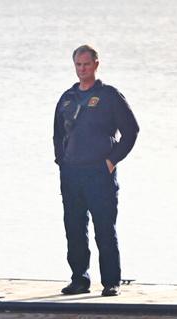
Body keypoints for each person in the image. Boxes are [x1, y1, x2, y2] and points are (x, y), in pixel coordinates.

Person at [53, 45, 139, 297]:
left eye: (87, 64)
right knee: (74, 228)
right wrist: (62, 161)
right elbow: (57, 134)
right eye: (78, 65)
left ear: (96, 65)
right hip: (71, 174)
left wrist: (111, 161)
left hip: (100, 173)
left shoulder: (110, 96)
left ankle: (111, 281)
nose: (82, 69)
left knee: (104, 228)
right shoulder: (67, 98)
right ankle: (79, 278)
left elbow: (131, 132)